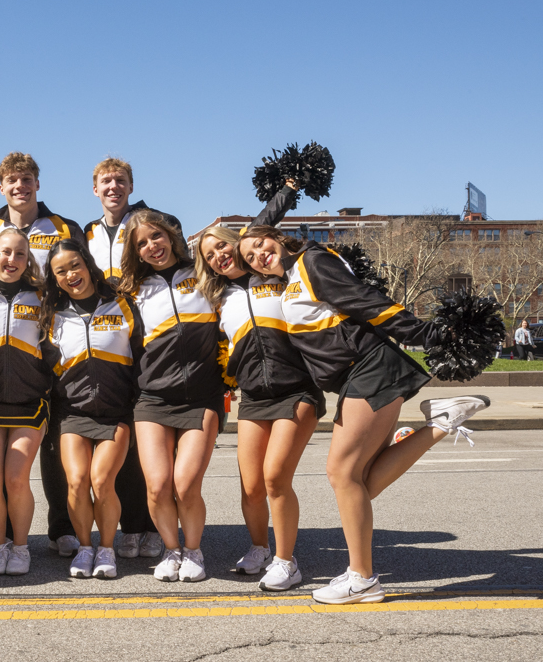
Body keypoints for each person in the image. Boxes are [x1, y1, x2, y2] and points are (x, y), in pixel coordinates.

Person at [236, 225, 491, 604]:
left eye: (260, 244)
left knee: (342, 475)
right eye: (250, 257)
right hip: (359, 374)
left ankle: (362, 578)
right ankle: (440, 423)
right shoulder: (292, 276)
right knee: (360, 484)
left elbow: (364, 301)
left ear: (278, 237)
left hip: (369, 367)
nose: (258, 255)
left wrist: (424, 334)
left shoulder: (311, 261)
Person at [196, 223, 322, 591]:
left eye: (222, 245)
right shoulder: (218, 297)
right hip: (253, 396)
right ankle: (260, 548)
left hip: (297, 390)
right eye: (209, 255)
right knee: (251, 487)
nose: (218, 255)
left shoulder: (275, 274)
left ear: (237, 244)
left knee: (275, 478)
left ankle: (287, 562)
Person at [0, 152, 85, 557]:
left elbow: (80, 273)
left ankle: (61, 527)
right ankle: (2, 535)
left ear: (37, 185)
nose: (19, 187)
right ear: (2, 187)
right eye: (12, 181)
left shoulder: (62, 226)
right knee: (3, 459)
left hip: (55, 339)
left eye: (27, 180)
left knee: (55, 445)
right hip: (9, 345)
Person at [82, 157, 183, 559]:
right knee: (122, 443)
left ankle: (154, 525)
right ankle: (130, 525)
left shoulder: (150, 222)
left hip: (150, 339)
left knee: (152, 448)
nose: (113, 187)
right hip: (111, 343)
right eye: (106, 181)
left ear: (130, 185)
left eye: (120, 181)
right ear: (95, 189)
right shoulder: (85, 231)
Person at [117, 211, 223, 582]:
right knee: (158, 485)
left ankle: (194, 551)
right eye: (141, 243)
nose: (151, 246)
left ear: (171, 236)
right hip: (152, 399)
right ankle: (172, 549)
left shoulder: (204, 272)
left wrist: (285, 192)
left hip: (202, 395)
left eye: (156, 236)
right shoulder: (132, 289)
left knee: (185, 483)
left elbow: (239, 243)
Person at [40, 239, 140, 579]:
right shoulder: (53, 316)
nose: (70, 275)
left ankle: (107, 549)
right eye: (61, 271)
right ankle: (85, 548)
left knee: (101, 479)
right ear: (54, 279)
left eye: (74, 265)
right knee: (78, 480)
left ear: (87, 264)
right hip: (73, 414)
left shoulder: (122, 305)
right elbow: (46, 367)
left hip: (116, 413)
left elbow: (142, 354)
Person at [0, 227, 53, 575]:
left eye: (20, 253)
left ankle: (20, 546)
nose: (11, 259)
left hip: (29, 402)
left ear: (28, 258)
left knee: (16, 478)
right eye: (5, 252)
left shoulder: (43, 297)